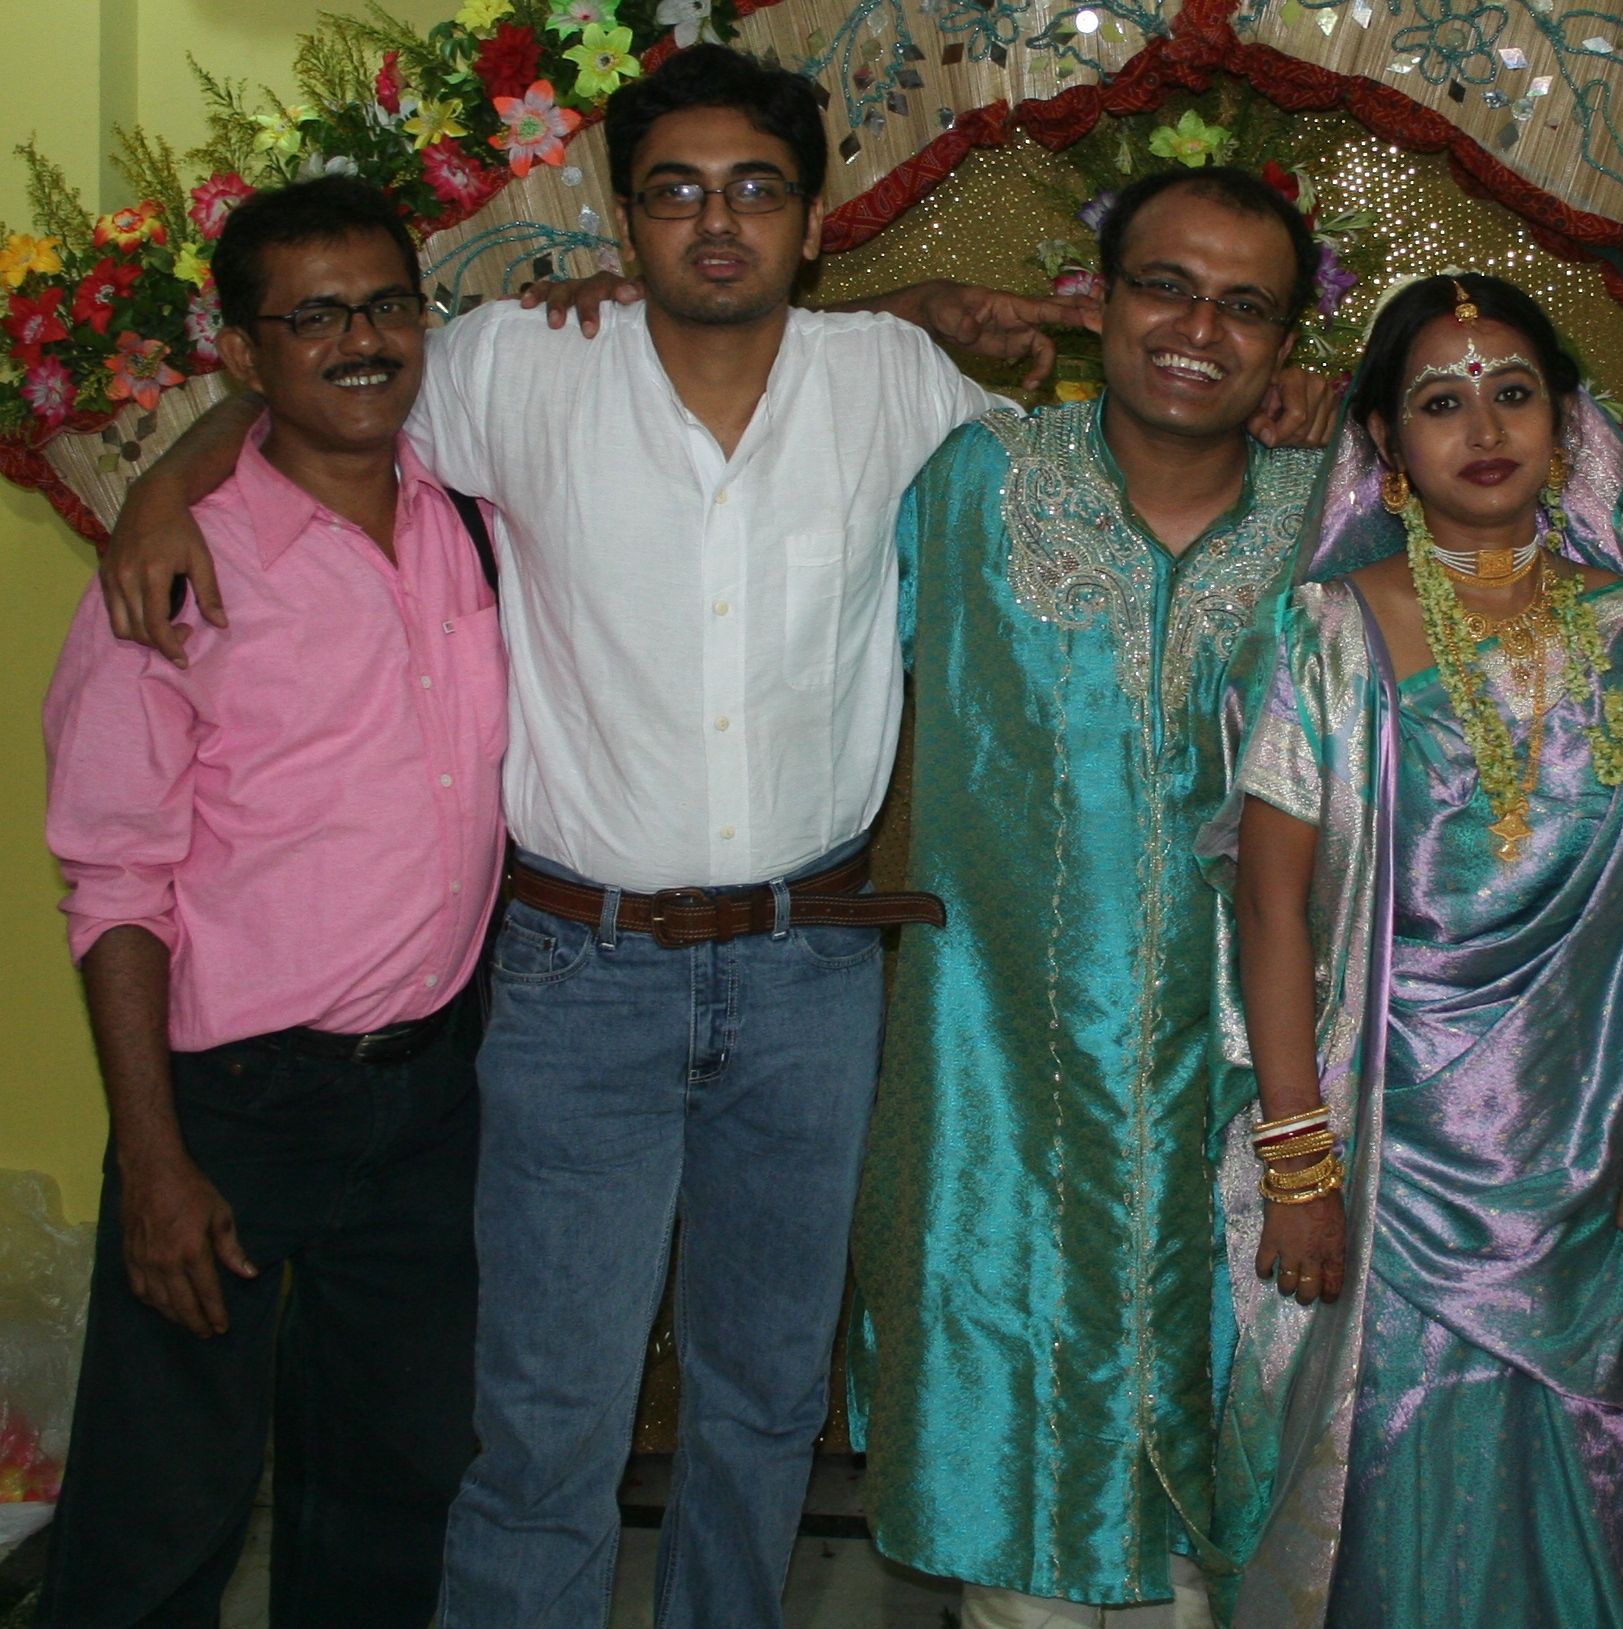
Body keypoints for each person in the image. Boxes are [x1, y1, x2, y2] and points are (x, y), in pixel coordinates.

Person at [85, 44, 1101, 1629]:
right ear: (623, 222)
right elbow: (317, 399)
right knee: (542, 1419)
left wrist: (1318, 431)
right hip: (576, 976)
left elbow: (1085, 501)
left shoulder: (889, 387)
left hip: (807, 972)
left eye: (754, 189)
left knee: (764, 1402)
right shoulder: (514, 366)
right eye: (676, 191)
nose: (717, 223)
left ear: (814, 222)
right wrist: (169, 478)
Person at [847, 172, 1623, 1624]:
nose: (1195, 328)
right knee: (1019, 1529)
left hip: (1283, 1118)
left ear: (1289, 349)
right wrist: (891, 304)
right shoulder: (973, 485)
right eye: (1162, 286)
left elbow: (1532, 568)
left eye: (1244, 306)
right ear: (1097, 299)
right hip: (1014, 1108)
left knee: (1289, 1509)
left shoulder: (1330, 535)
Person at [1201, 273, 1623, 1627]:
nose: (1482, 427)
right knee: (1393, 1488)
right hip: (1389, 1158)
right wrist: (1299, 1165)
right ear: (1380, 442)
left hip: (1584, 1150)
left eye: (1513, 393)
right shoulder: (1327, 630)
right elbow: (1269, 910)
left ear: (1563, 423)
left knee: (1583, 1486)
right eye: (1439, 401)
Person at [37, 176, 502, 1628]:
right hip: (232, 1104)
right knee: (162, 1500)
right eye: (313, 318)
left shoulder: (468, 515)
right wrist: (156, 1161)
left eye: (383, 303)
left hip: (425, 1092)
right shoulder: (171, 577)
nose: (361, 342)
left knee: (387, 1483)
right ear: (245, 354)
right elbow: (112, 884)